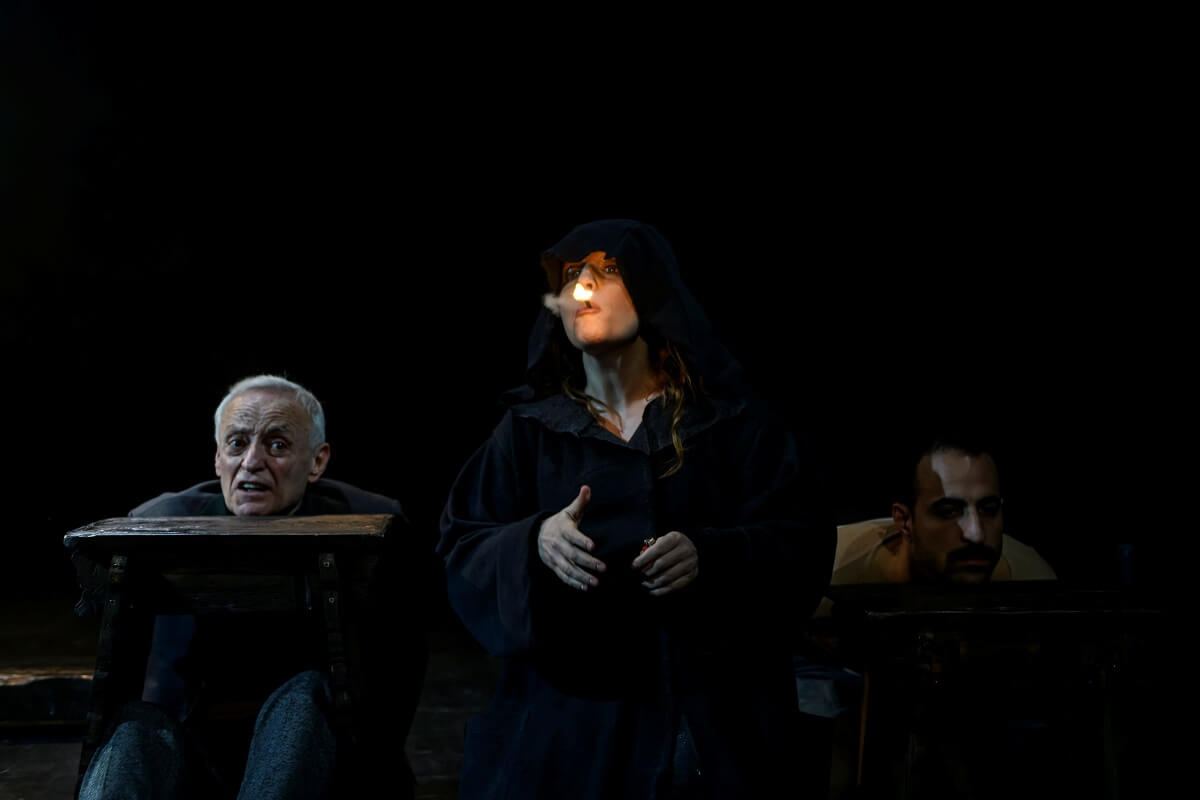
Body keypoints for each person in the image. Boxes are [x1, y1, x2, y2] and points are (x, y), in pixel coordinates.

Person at [437, 219, 836, 799]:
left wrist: (712, 554)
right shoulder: (529, 433)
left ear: (651, 288)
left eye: (608, 270)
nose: (582, 288)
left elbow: (801, 536)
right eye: (572, 275)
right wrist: (534, 540)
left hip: (708, 713)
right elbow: (462, 544)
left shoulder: (728, 423)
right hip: (571, 722)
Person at [76, 374, 432, 800]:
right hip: (195, 748)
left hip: (313, 756)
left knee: (304, 700)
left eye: (277, 445)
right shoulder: (155, 524)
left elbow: (401, 666)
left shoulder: (372, 526)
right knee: (134, 726)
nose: (252, 462)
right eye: (237, 443)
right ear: (217, 459)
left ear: (317, 462)